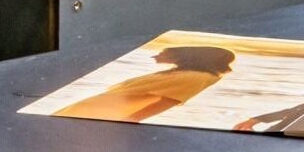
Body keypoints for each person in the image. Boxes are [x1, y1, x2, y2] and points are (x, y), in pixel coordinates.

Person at [58, 42, 235, 121]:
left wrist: (129, 120)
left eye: (163, 51)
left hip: (107, 112)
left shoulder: (198, 77)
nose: (156, 55)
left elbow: (167, 101)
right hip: (101, 107)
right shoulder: (186, 74)